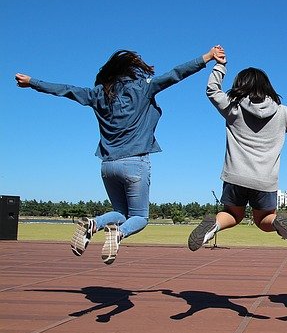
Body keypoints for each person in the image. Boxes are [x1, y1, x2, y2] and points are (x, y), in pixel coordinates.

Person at [15, 46, 222, 264]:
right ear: (132, 70)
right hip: (135, 163)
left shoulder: (98, 94)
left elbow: (67, 90)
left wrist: (32, 82)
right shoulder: (143, 88)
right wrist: (207, 57)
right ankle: (118, 234)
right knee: (140, 217)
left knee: (121, 213)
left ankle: (94, 223)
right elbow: (176, 74)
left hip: (107, 165)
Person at [188, 46, 287, 250]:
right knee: (264, 219)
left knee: (232, 215)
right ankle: (277, 222)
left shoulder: (234, 107)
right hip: (265, 181)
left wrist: (219, 66)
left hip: (234, 176)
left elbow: (212, 90)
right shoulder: (282, 113)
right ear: (267, 87)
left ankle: (214, 225)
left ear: (240, 85)